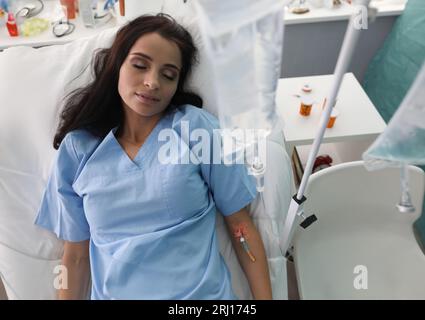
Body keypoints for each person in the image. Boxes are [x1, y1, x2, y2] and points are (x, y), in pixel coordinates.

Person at [35, 14, 272, 300]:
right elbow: (74, 258)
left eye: (168, 74)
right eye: (140, 65)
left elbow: (240, 225)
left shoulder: (196, 130)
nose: (152, 82)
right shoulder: (78, 150)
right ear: (117, 65)